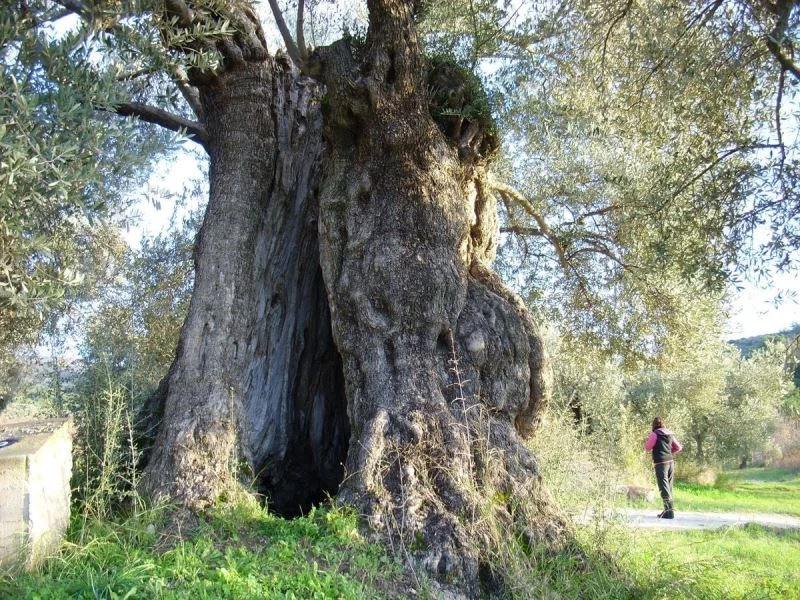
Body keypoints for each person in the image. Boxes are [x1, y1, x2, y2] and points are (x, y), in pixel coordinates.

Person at [644, 416, 682, 519]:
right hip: (670, 462)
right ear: (663, 424)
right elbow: (678, 447)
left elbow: (647, 448)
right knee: (669, 487)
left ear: (654, 425)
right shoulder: (669, 433)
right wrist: (669, 452)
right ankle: (668, 512)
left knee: (664, 488)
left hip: (661, 463)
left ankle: (669, 513)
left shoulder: (655, 434)